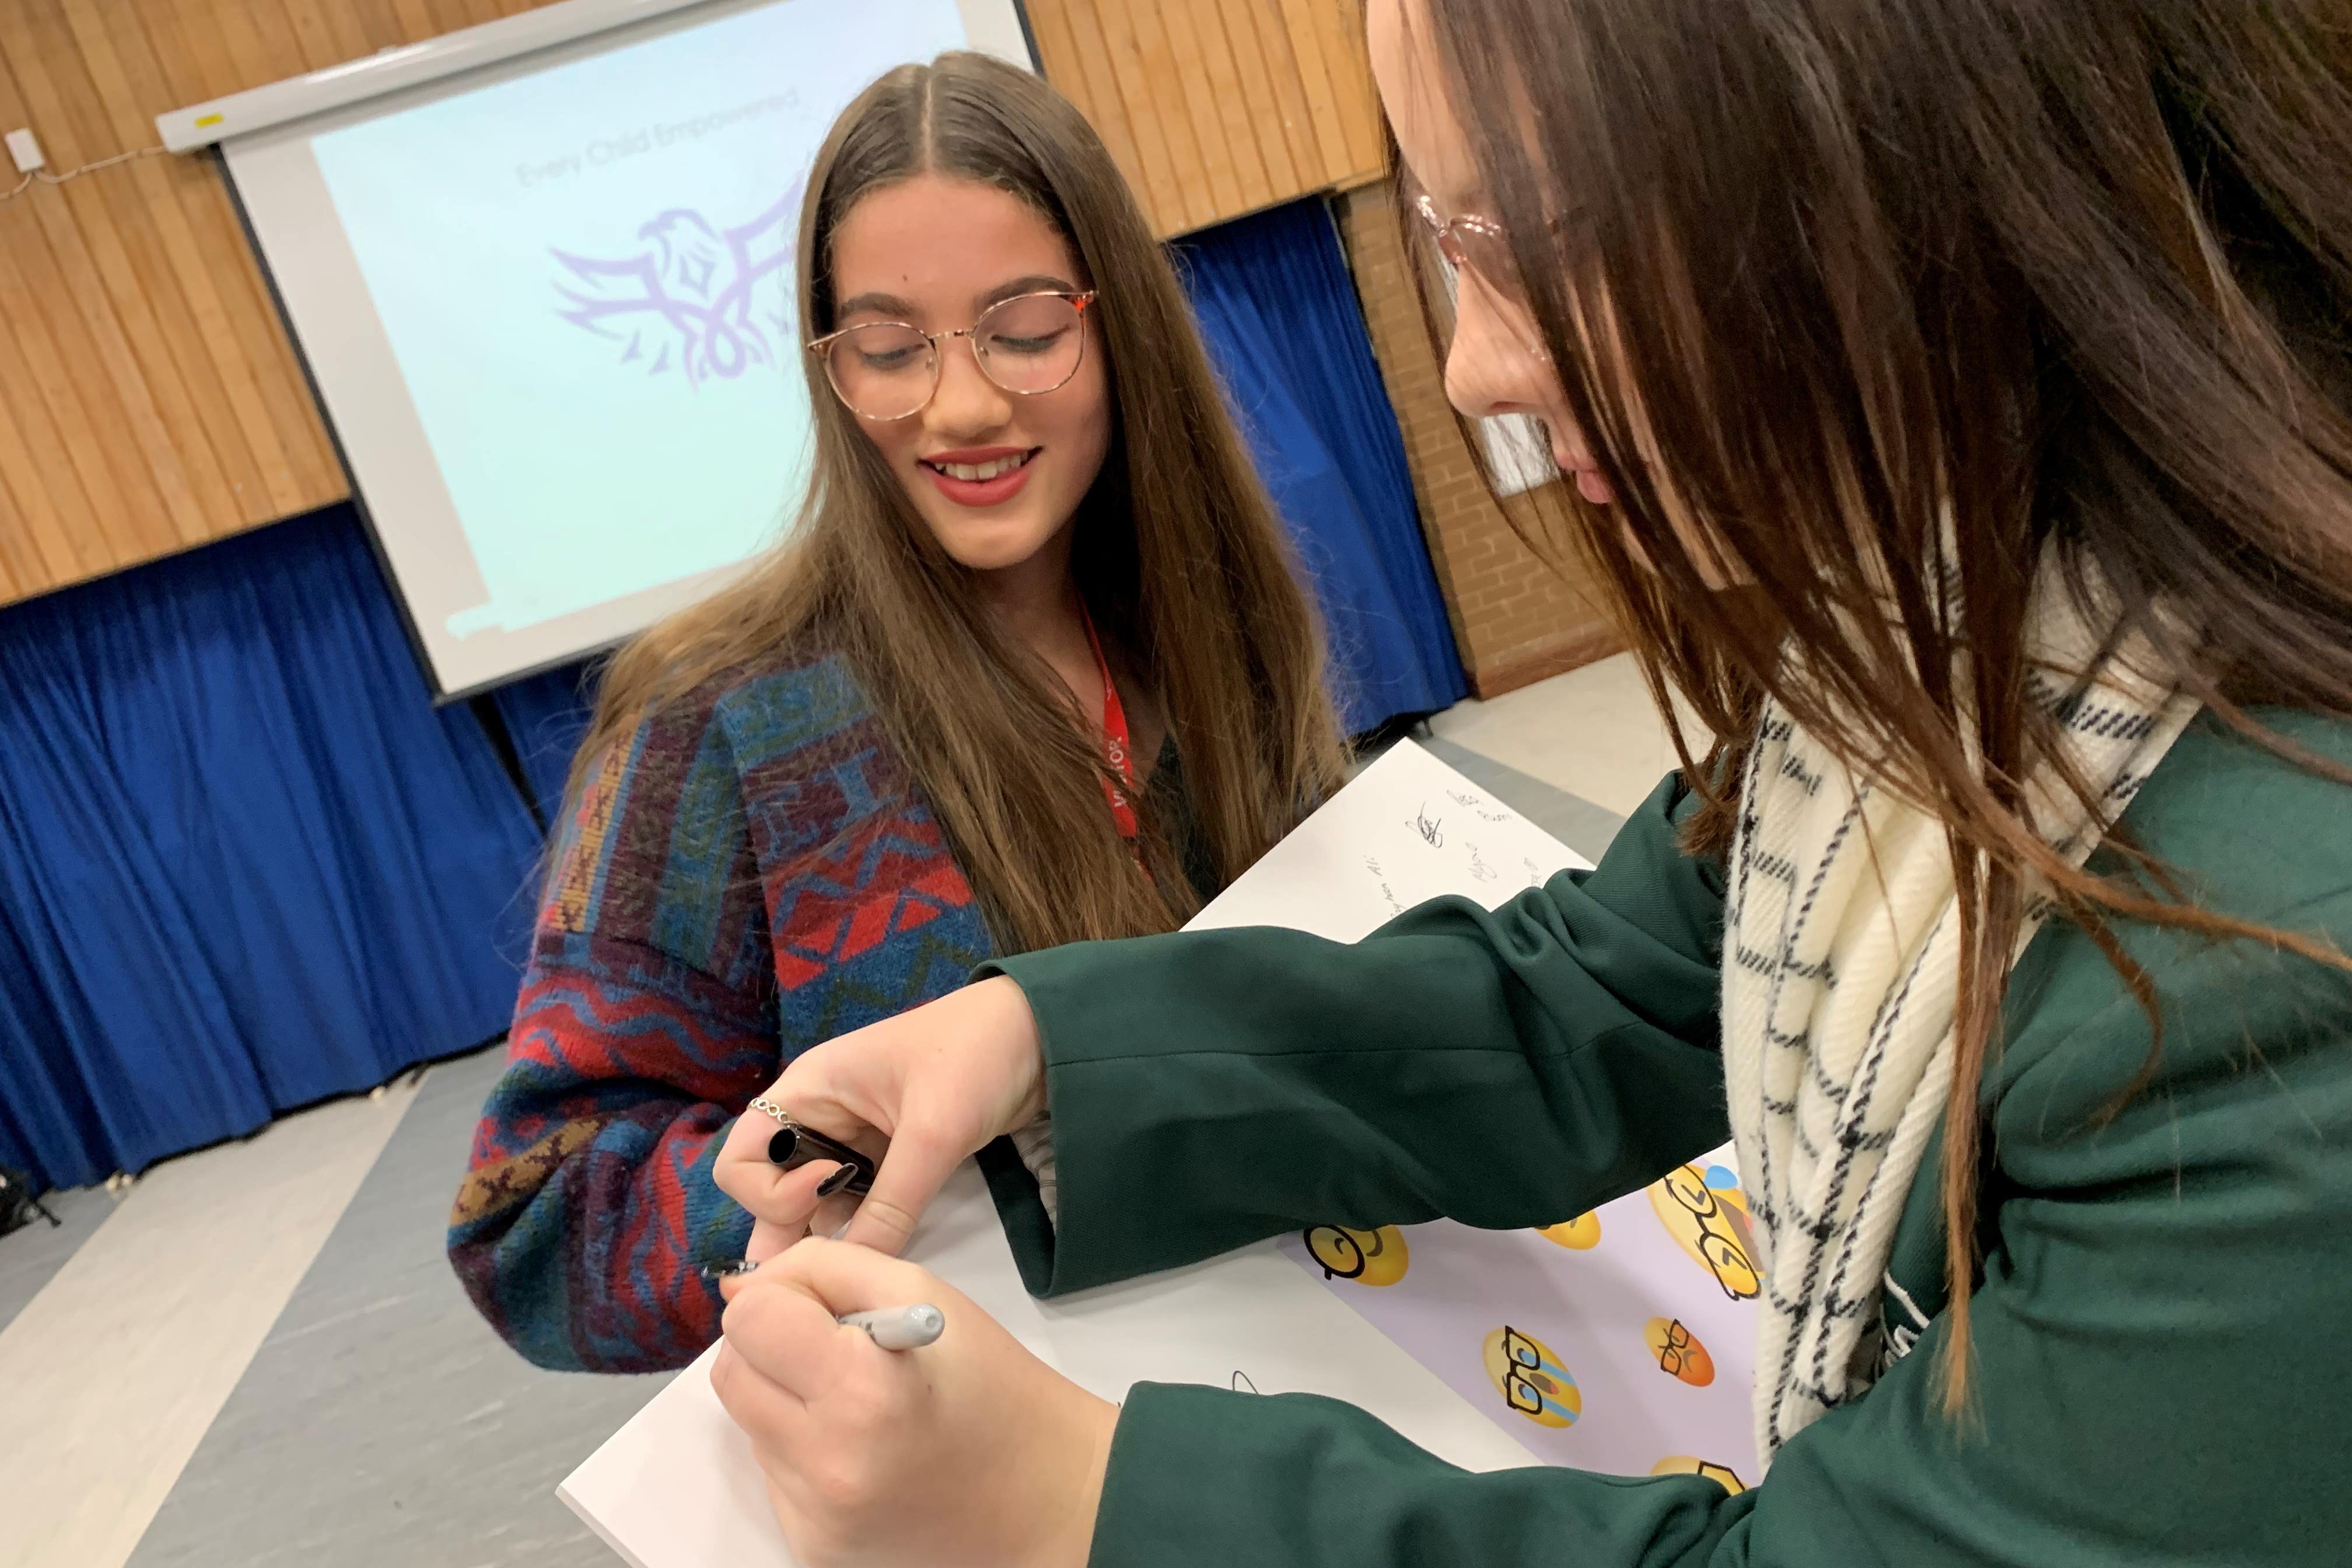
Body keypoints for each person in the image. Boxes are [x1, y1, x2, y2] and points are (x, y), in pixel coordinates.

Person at [703, 1, 2352, 1563]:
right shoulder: (1947, 631)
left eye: (1534, 246)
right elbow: (1600, 990)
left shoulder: (2264, 1002)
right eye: (1451, 247)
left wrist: (1080, 1502)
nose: (1477, 367)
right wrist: (1043, 1046)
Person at [446, 53, 1346, 1373]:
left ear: (1124, 325)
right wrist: (824, 1165)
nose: (962, 404)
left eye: (1026, 327)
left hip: (1319, 1374)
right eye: (886, 348)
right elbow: (534, 1225)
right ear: (830, 368)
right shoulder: (717, 720)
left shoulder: (1218, 633)